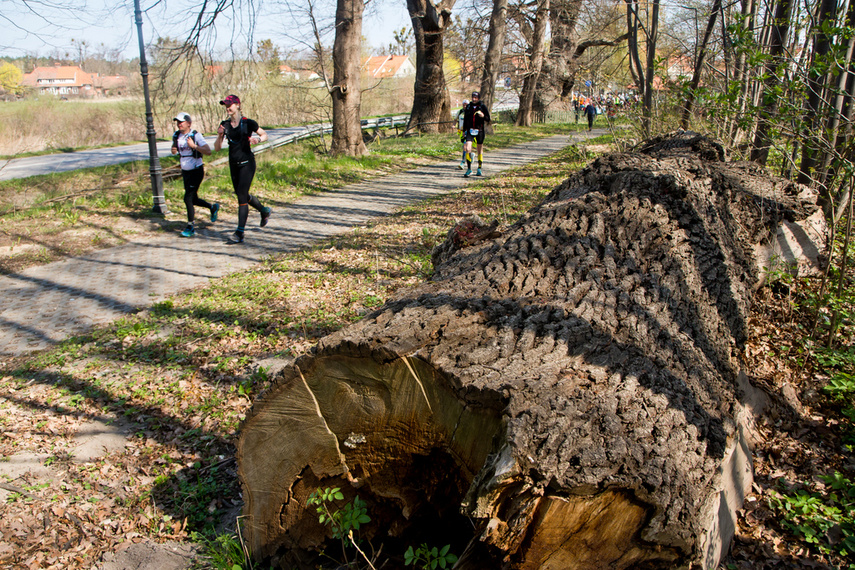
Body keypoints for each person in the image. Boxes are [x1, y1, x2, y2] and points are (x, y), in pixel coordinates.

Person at [214, 94, 271, 244]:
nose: (227, 108)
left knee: (241, 196)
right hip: (234, 165)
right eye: (225, 105)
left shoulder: (248, 123)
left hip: (247, 163)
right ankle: (263, 210)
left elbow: (264, 134)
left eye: (230, 105)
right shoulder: (224, 125)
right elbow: (217, 148)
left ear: (237, 105)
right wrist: (219, 136)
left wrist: (258, 139)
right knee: (243, 195)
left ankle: (239, 233)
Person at [171, 112, 218, 238]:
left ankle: (190, 226)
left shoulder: (195, 135)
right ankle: (212, 207)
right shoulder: (176, 135)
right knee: (193, 199)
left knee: (187, 198)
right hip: (185, 171)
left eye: (181, 122)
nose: (179, 124)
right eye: (177, 122)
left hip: (196, 170)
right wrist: (174, 150)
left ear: (189, 123)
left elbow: (208, 151)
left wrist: (194, 146)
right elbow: (174, 149)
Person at [461, 91, 491, 177]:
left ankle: (479, 168)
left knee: (479, 149)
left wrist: (483, 116)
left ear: (478, 98)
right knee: (467, 148)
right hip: (470, 130)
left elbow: (488, 119)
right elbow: (466, 119)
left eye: (476, 98)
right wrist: (464, 130)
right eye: (473, 97)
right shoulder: (469, 107)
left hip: (480, 130)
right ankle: (469, 169)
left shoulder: (482, 106)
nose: (474, 99)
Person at [456, 100, 469, 169]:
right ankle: (470, 156)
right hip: (461, 131)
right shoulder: (460, 112)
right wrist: (453, 125)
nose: (465, 106)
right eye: (464, 105)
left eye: (466, 105)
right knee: (465, 147)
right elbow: (455, 119)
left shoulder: (470, 112)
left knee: (465, 146)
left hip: (469, 131)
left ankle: (463, 162)